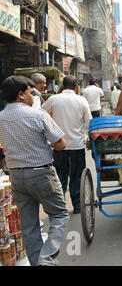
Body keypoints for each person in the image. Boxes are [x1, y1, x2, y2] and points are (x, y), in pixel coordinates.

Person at [0, 76, 68, 266]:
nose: (32, 96)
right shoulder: (37, 114)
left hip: (16, 175)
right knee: (60, 215)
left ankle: (38, 262)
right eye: (30, 92)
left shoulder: (1, 118)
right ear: (21, 95)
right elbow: (61, 143)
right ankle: (45, 260)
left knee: (29, 226)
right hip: (40, 174)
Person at [42, 76, 92, 214]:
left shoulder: (54, 99)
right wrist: (88, 139)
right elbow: (89, 122)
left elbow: (41, 113)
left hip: (58, 145)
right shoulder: (81, 100)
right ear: (77, 87)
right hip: (77, 144)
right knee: (77, 175)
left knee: (60, 175)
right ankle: (77, 206)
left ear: (62, 86)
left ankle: (61, 205)